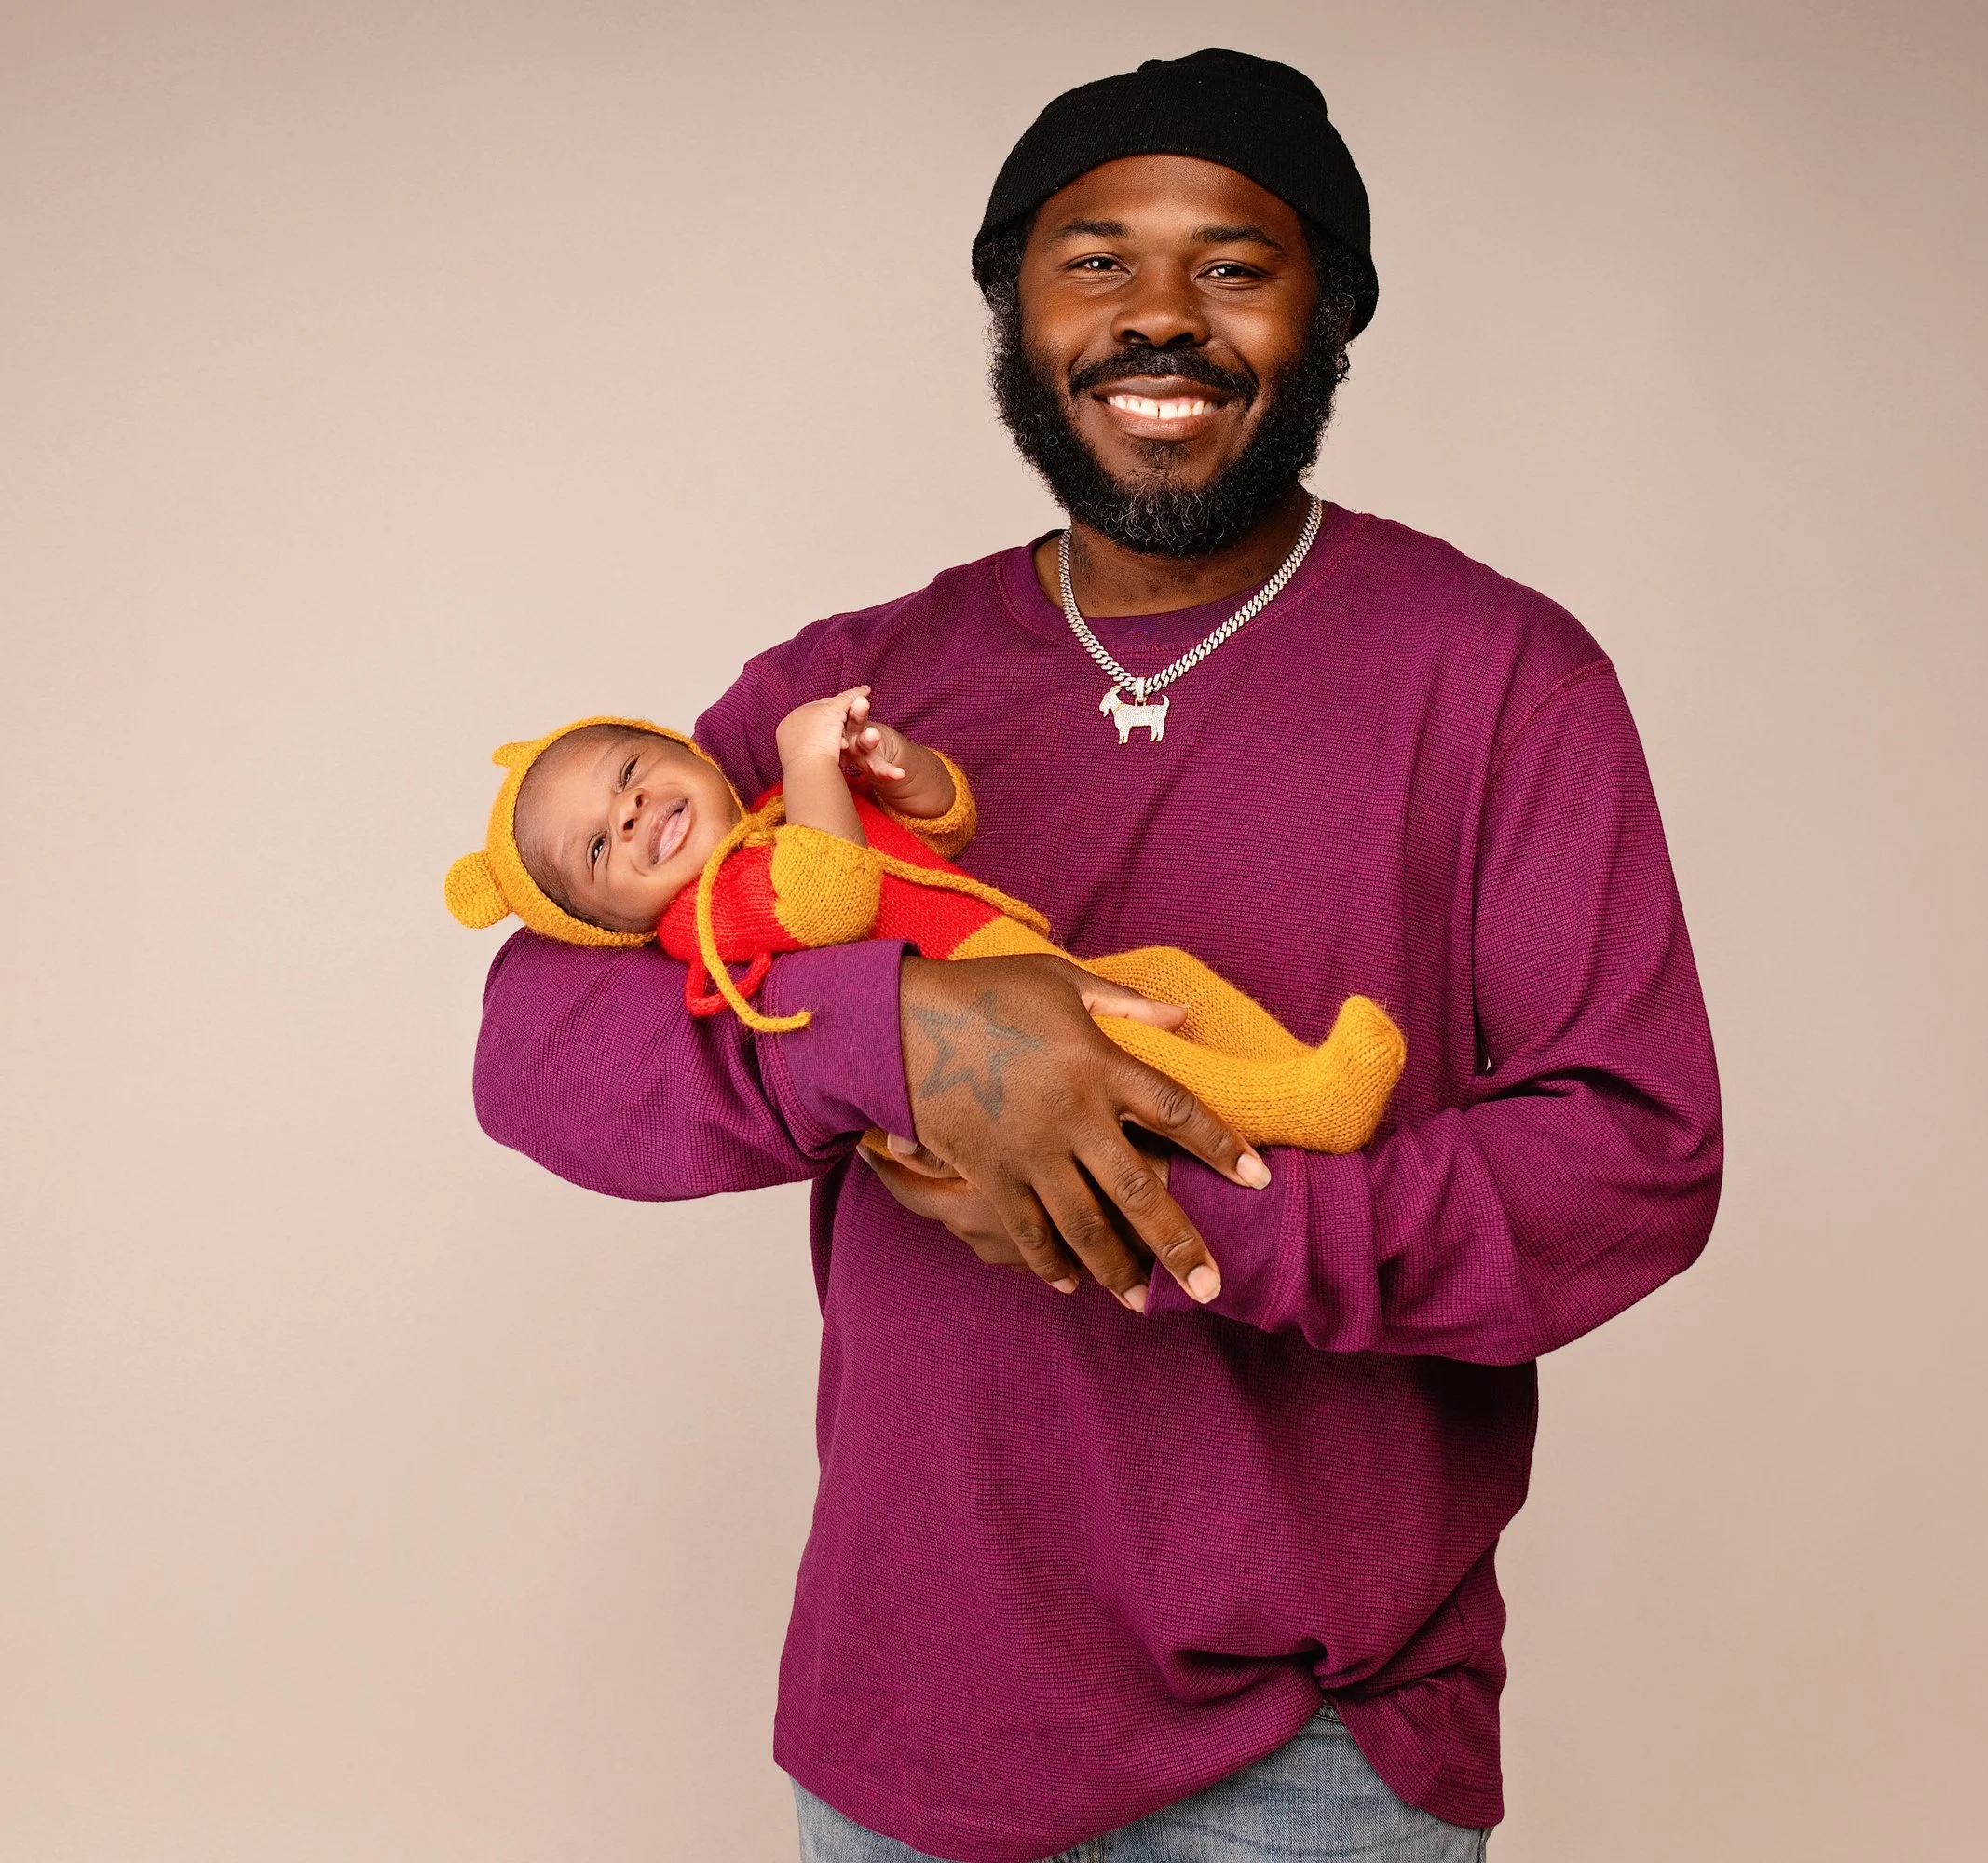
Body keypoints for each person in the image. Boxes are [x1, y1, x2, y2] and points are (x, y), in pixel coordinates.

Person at [469, 47, 1724, 1863]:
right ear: (1014, 311)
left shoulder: (1499, 676)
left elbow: (1631, 1154)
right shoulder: (858, 680)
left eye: (1231, 263)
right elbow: (538, 1039)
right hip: (908, 1723)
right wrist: (900, 1036)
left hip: (1323, 1747)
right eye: (1091, 259)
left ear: (1326, 315)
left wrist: (1182, 1207)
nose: (1158, 316)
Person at [441, 688, 1407, 1188]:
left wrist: (899, 771)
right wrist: (808, 756)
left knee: (1165, 975)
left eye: (631, 770)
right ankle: (1308, 1103)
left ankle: (1295, 1061)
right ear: (617, 923)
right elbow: (832, 897)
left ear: (681, 750)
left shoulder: (781, 813)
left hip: (1014, 950)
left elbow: (943, 832)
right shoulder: (709, 917)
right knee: (1134, 1049)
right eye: (604, 845)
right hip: (988, 1013)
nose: (635, 809)